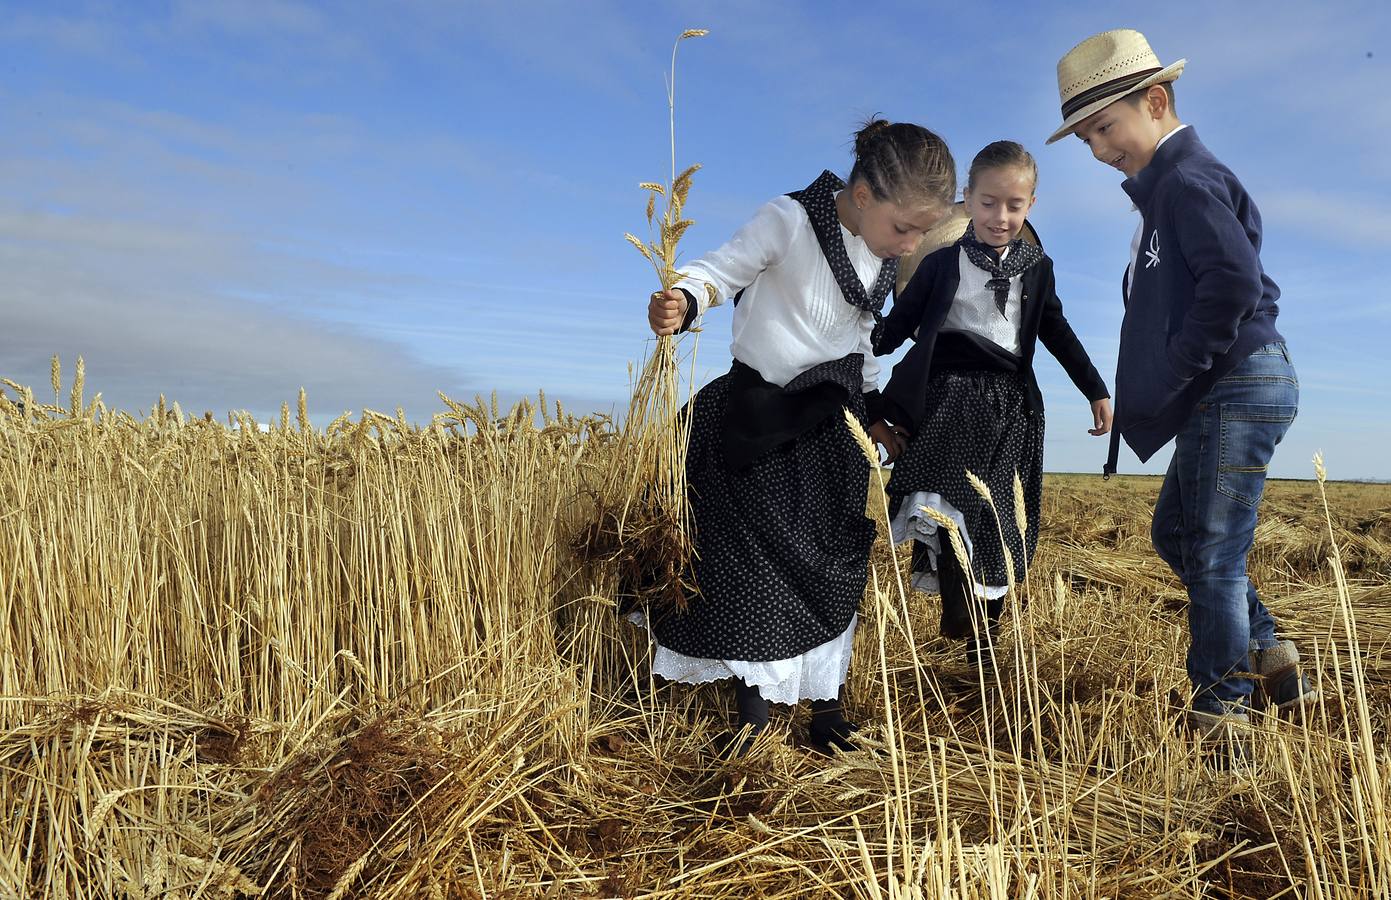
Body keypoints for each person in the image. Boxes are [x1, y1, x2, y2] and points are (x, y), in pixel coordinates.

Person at [643, 120, 956, 756]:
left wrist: (872, 413)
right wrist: (684, 296)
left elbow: (862, 345)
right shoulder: (788, 221)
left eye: (925, 230)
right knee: (752, 570)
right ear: (863, 195)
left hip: (830, 437)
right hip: (758, 424)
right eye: (907, 227)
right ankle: (753, 709)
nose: (913, 242)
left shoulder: (878, 254)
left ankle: (825, 707)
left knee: (832, 570)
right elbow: (722, 269)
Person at [1046, 29, 1316, 737]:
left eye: (1104, 128)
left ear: (1156, 99)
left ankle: (1222, 710)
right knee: (1177, 534)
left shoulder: (1187, 180)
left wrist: (1173, 370)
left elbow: (1232, 283)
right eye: (1085, 140)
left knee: (1212, 547)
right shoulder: (1163, 190)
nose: (1100, 151)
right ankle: (1268, 649)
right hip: (1226, 384)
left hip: (1237, 380)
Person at [874, 141, 1111, 668]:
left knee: (1001, 519)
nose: (999, 217)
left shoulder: (1038, 268)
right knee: (945, 501)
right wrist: (844, 338)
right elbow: (892, 330)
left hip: (1011, 408)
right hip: (948, 397)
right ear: (967, 199)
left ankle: (985, 639)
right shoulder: (940, 263)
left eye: (1013, 205)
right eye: (987, 203)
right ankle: (957, 599)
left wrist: (1095, 388)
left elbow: (1057, 331)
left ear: (1029, 206)